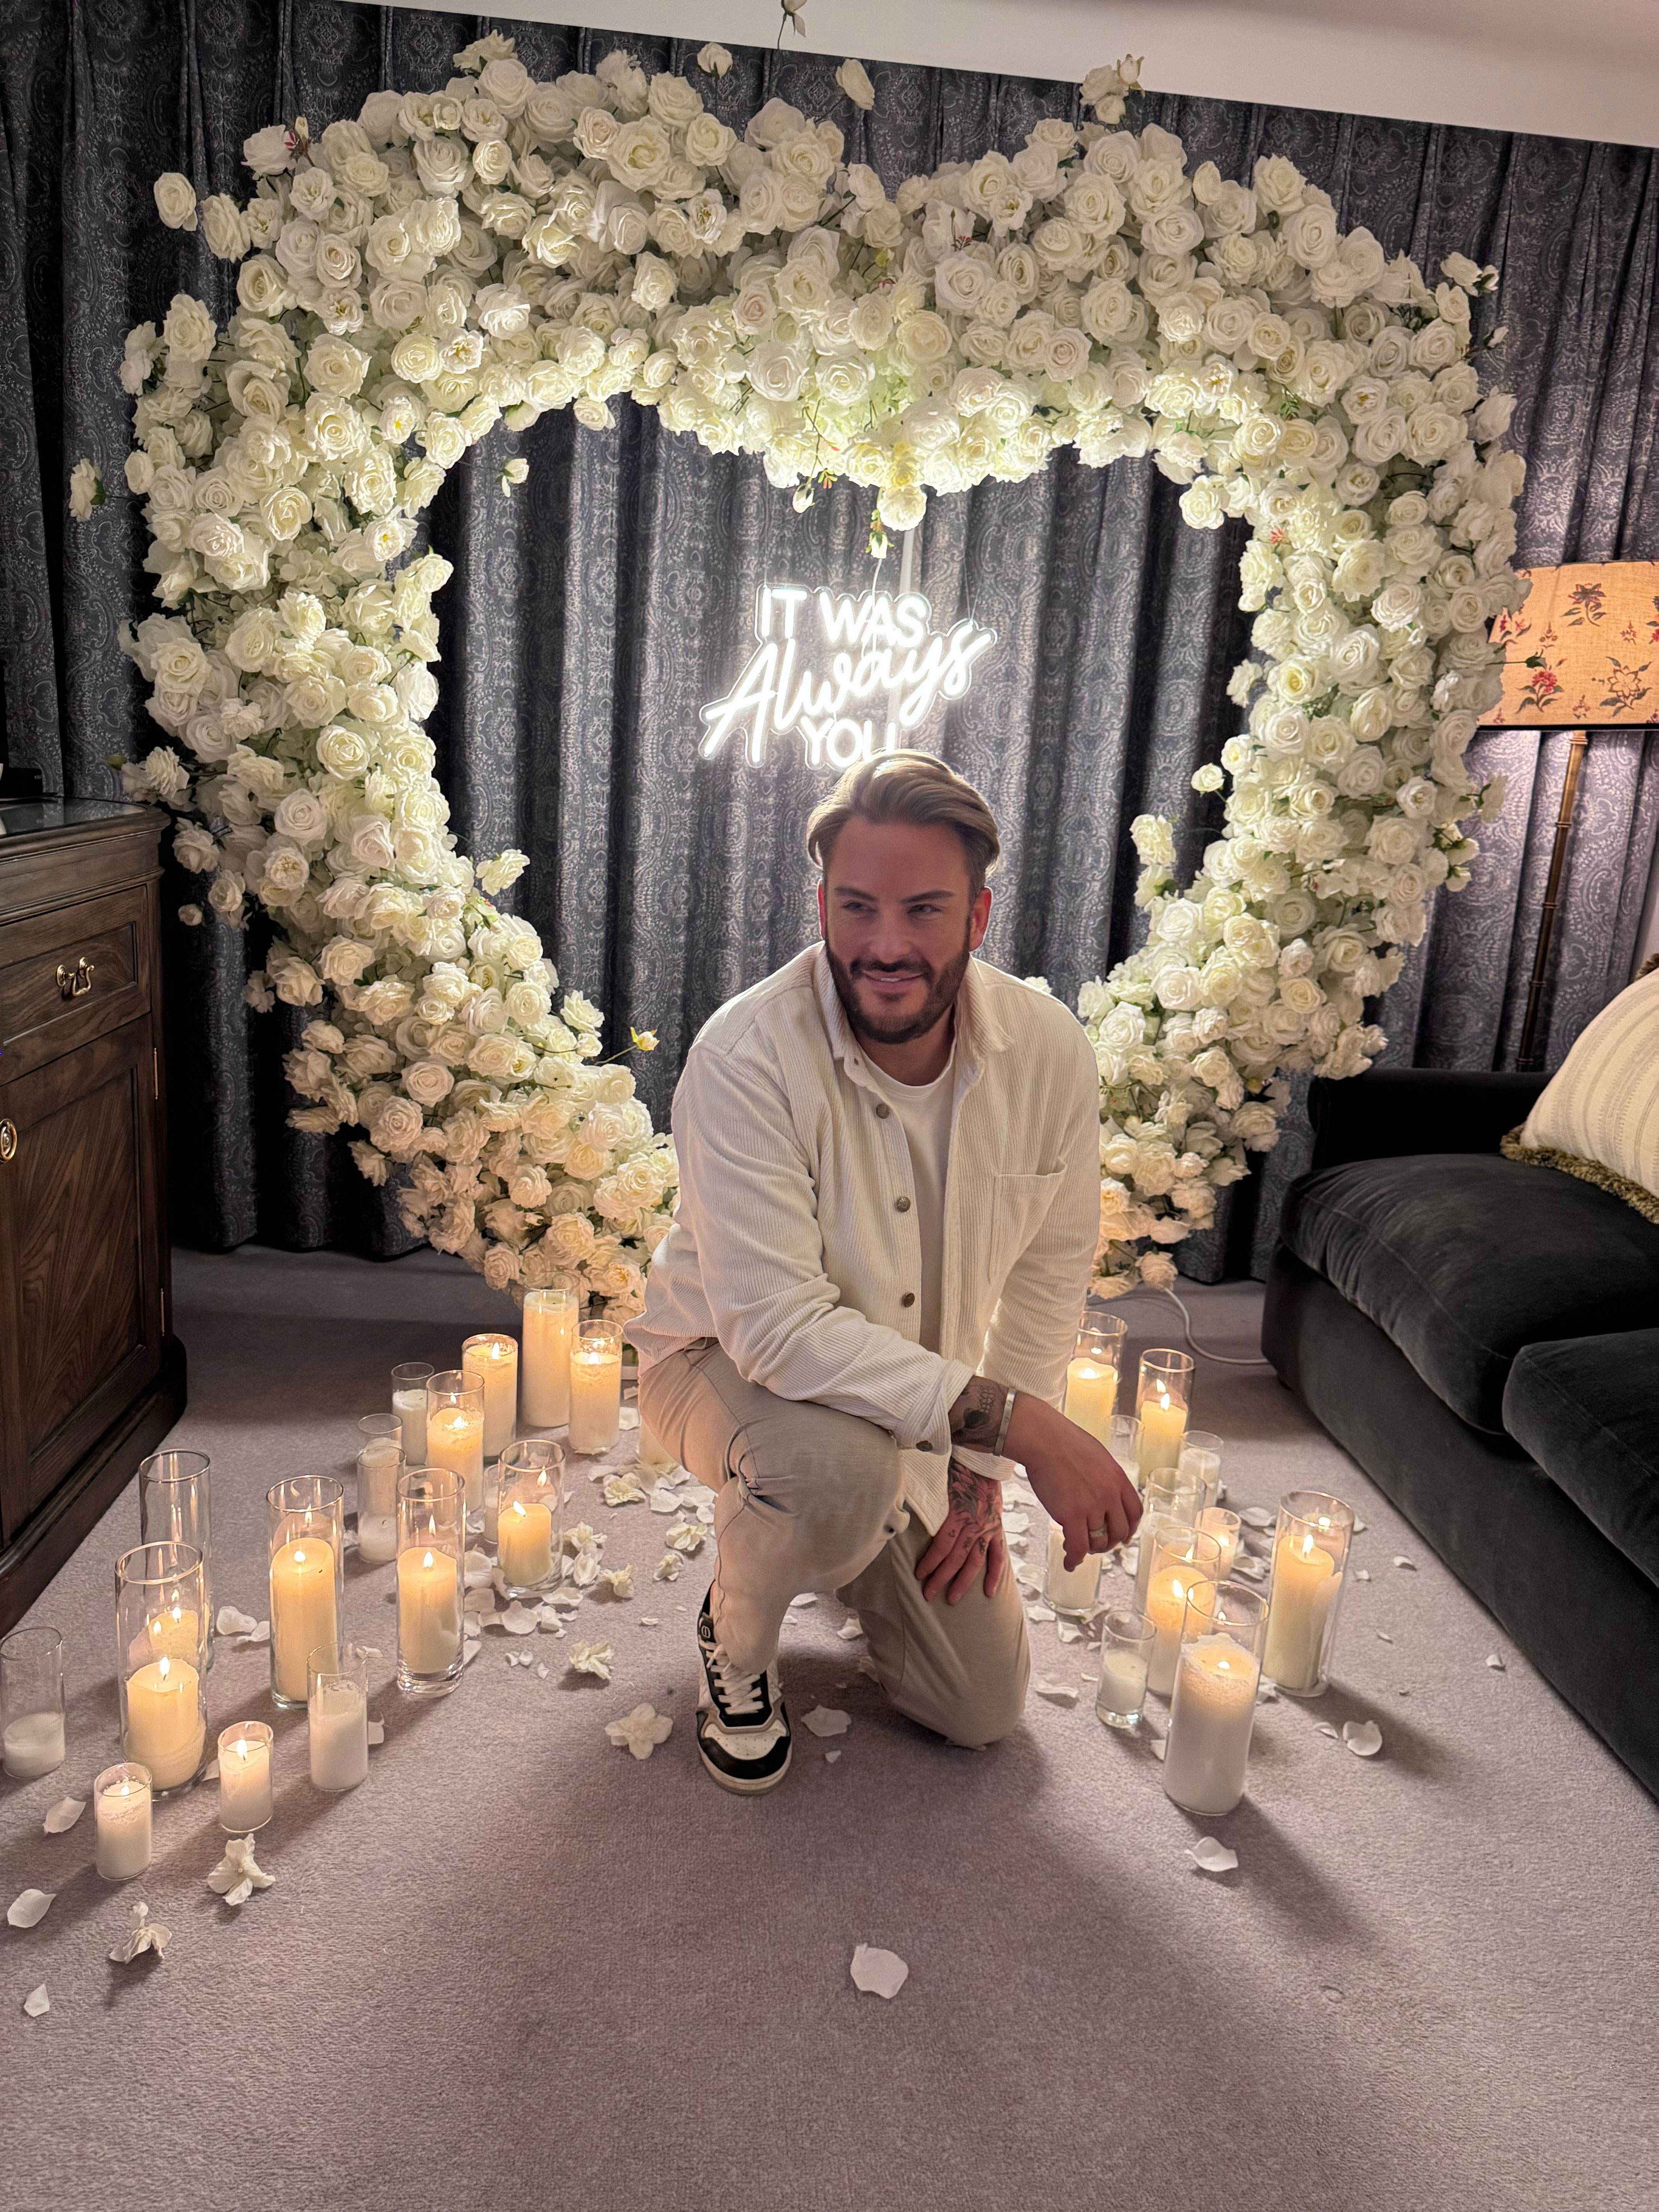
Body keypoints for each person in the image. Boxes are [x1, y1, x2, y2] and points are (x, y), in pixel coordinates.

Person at [630, 750, 1140, 1793]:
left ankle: (827, 1532)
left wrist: (979, 1476)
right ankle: (741, 1627)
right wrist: (1022, 1427)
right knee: (831, 1475)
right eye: (856, 907)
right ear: (821, 901)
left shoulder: (1049, 1051)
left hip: (922, 1407)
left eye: (922, 909)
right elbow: (774, 1327)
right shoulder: (745, 1055)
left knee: (979, 1709)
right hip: (718, 1364)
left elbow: (1047, 1273)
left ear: (978, 917)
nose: (885, 944)